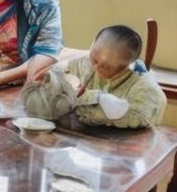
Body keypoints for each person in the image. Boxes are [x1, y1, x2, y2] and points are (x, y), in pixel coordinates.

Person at [22, 25, 166, 128]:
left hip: (125, 147)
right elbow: (58, 73)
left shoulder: (145, 88)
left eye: (107, 67)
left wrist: (88, 99)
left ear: (127, 65)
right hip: (84, 140)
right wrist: (50, 82)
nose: (95, 67)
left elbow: (136, 116)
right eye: (94, 58)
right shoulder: (85, 63)